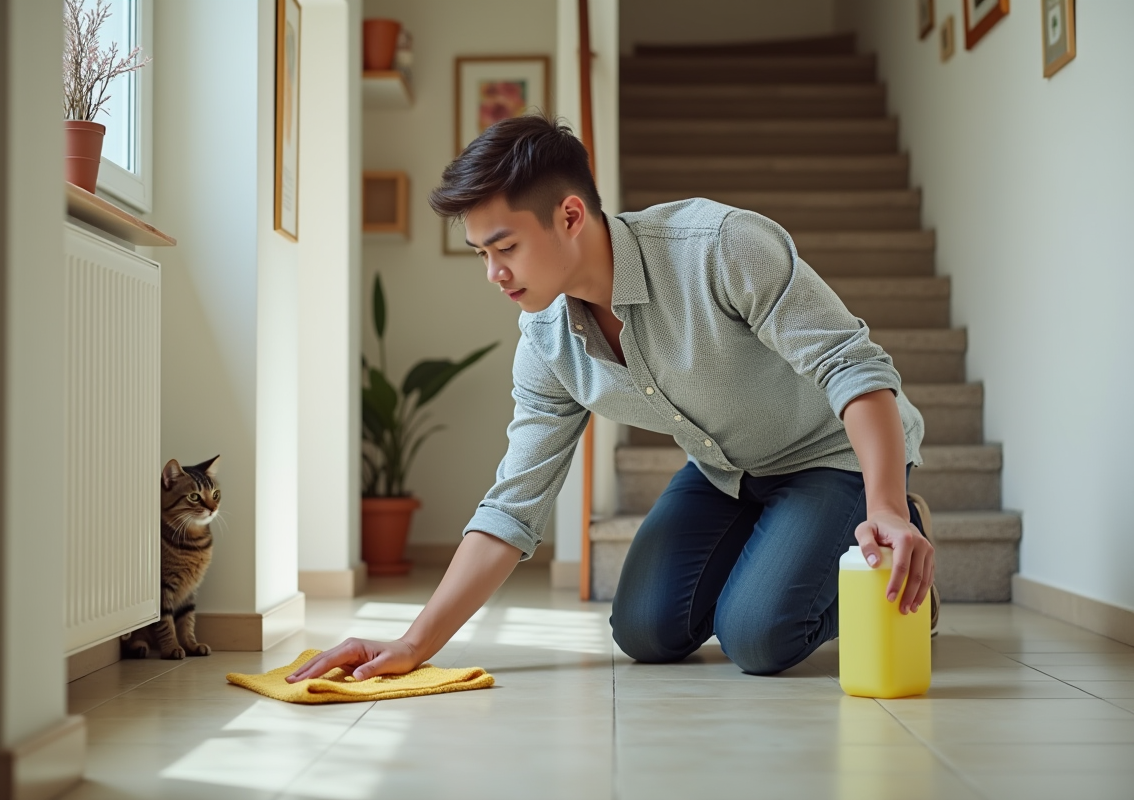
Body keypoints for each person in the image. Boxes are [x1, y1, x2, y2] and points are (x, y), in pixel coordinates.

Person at [287, 114, 936, 684]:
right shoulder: (547, 340)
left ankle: (900, 533)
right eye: (480, 253)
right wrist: (414, 643)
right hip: (726, 471)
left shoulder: (719, 247)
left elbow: (852, 366)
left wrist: (884, 505)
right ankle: (784, 551)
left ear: (570, 216)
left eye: (505, 247)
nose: (494, 273)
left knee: (759, 638)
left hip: (831, 454)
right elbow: (516, 501)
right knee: (645, 633)